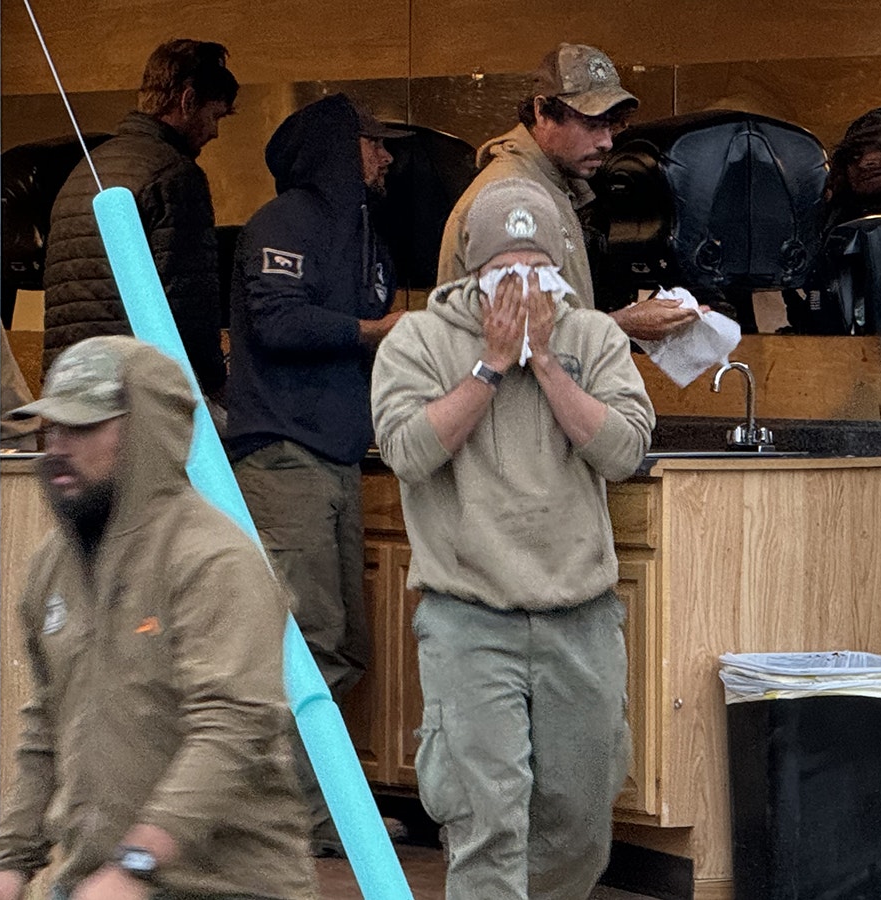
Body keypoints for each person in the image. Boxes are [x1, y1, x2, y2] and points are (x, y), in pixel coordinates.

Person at [373, 177, 655, 899]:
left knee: (579, 824)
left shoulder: (592, 335)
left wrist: (548, 363)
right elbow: (406, 451)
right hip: (469, 619)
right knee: (487, 824)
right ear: (473, 274)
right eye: (506, 270)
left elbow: (624, 452)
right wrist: (492, 367)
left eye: (538, 268)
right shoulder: (419, 340)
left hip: (581, 618)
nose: (523, 287)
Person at [0, 336, 314, 900]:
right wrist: (10, 864)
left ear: (146, 432)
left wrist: (137, 862)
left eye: (84, 427)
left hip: (225, 886)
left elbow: (232, 725)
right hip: (96, 881)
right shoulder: (54, 564)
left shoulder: (212, 560)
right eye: (52, 427)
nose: (57, 446)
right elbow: (44, 728)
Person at [222, 93, 406, 857]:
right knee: (307, 639)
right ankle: (299, 817)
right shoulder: (283, 224)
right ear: (338, 147)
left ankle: (311, 807)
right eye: (372, 144)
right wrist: (373, 331)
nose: (384, 156)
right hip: (281, 456)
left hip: (333, 458)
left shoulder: (363, 235)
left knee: (346, 643)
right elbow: (277, 321)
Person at [437, 42, 698, 342]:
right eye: (591, 124)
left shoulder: (553, 188)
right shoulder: (511, 199)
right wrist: (622, 324)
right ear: (542, 112)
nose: (607, 142)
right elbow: (515, 335)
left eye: (611, 126)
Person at [41, 39, 237, 404]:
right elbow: (188, 299)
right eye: (215, 116)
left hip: (69, 387)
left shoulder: (85, 171)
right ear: (188, 101)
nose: (214, 132)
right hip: (134, 392)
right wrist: (211, 384)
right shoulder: (175, 176)